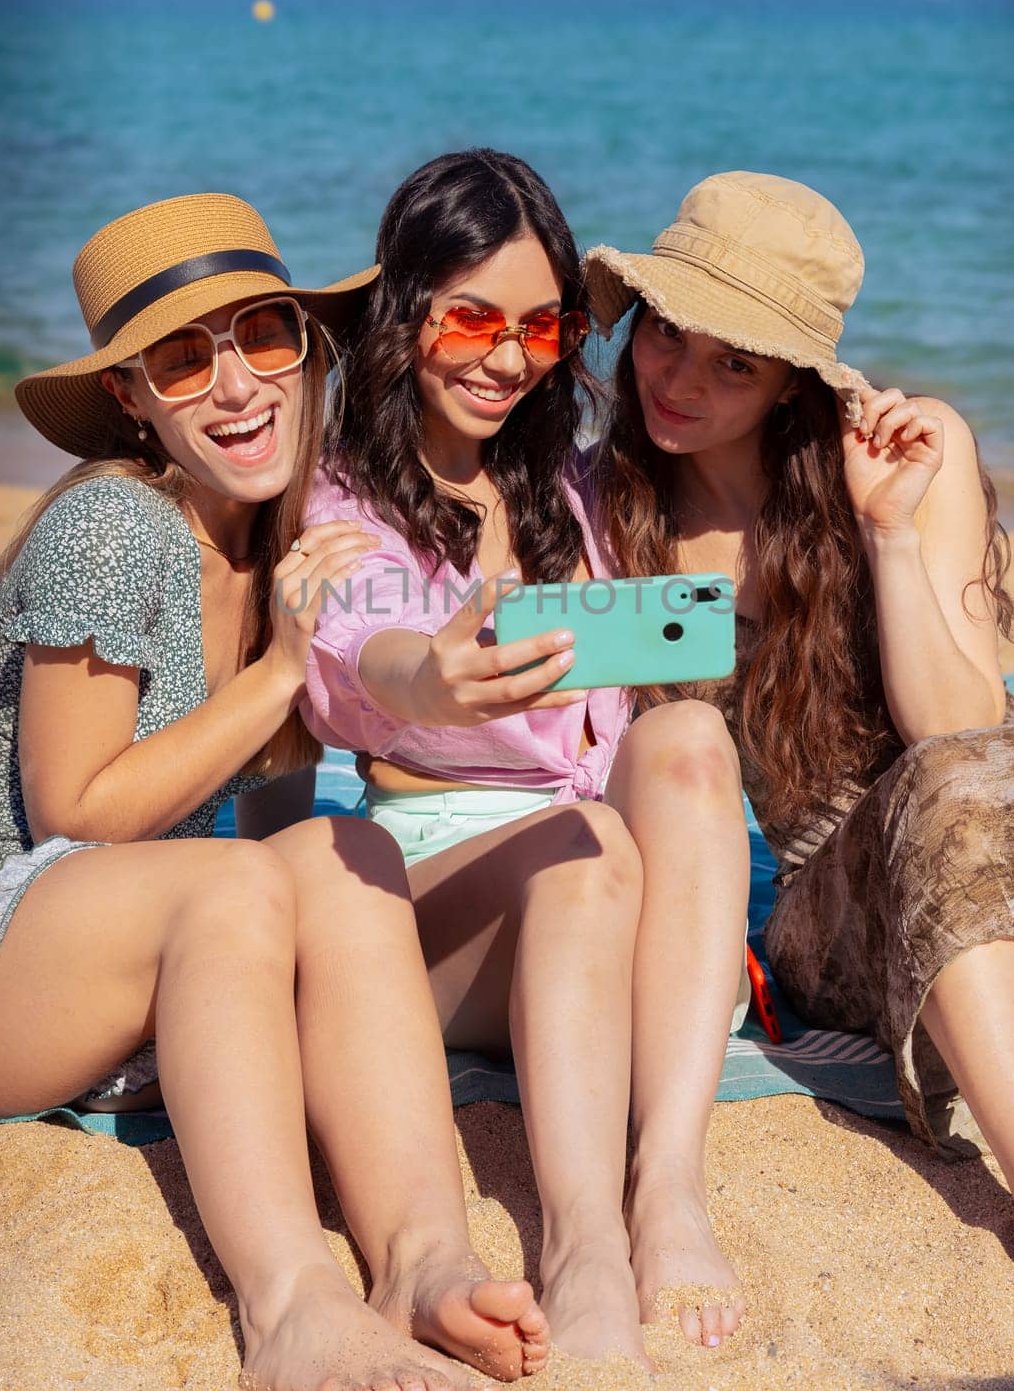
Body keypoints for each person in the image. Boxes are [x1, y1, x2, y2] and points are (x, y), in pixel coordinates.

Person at [0, 193, 550, 1391]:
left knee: (351, 859)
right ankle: (292, 1305)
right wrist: (285, 669)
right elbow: (71, 814)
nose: (235, 387)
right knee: (235, 884)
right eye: (184, 360)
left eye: (263, 338)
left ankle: (423, 1259)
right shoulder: (116, 528)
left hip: (113, 955)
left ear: (309, 348)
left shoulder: (280, 536)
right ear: (130, 398)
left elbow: (276, 827)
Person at [300, 149, 754, 1364]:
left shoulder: (563, 481)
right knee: (594, 840)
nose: (507, 356)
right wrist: (428, 676)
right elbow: (365, 651)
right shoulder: (343, 501)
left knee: (692, 736)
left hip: (580, 870)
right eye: (472, 318)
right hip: (428, 912)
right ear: (407, 316)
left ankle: (667, 1194)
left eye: (541, 325)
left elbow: (732, 525)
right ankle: (583, 1243)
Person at [583, 169, 1014, 1358]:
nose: (678, 380)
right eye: (666, 336)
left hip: (981, 854)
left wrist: (888, 530)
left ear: (790, 378)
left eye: (733, 361)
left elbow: (958, 732)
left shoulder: (903, 454)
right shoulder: (608, 504)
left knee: (957, 779)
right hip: (830, 928)